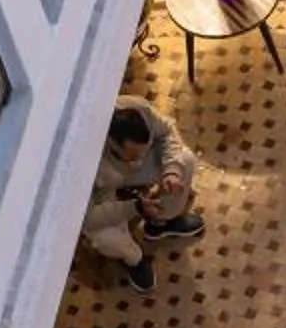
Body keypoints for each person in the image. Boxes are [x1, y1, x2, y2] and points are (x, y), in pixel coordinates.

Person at [83, 99, 204, 294]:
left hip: (122, 175)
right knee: (104, 237)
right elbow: (89, 218)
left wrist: (171, 172)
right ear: (111, 142)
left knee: (185, 160)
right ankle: (134, 259)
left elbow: (167, 132)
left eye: (142, 151)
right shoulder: (82, 161)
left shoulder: (138, 110)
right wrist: (135, 207)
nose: (137, 161)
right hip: (102, 187)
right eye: (132, 156)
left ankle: (161, 222)